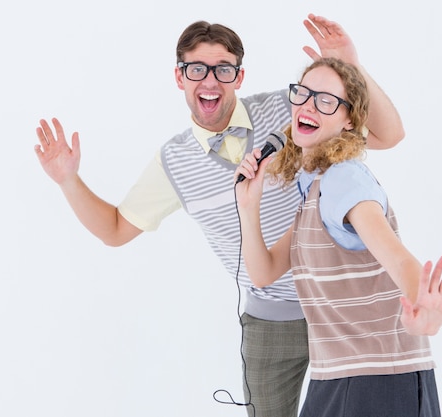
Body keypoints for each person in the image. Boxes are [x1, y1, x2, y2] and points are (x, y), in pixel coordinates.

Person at [34, 14, 405, 417]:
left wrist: (353, 67)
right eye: (197, 69)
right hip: (271, 320)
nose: (210, 80)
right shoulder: (173, 162)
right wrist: (68, 181)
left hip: (339, 305)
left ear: (239, 77)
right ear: (180, 78)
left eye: (223, 69)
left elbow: (388, 135)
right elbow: (116, 229)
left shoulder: (290, 107)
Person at [234, 57, 442, 417]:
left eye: (325, 100)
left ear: (350, 120)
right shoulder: (314, 193)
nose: (308, 105)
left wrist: (425, 304)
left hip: (379, 381)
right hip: (336, 377)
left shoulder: (343, 180)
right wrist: (248, 206)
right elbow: (264, 273)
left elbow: (397, 256)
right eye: (303, 94)